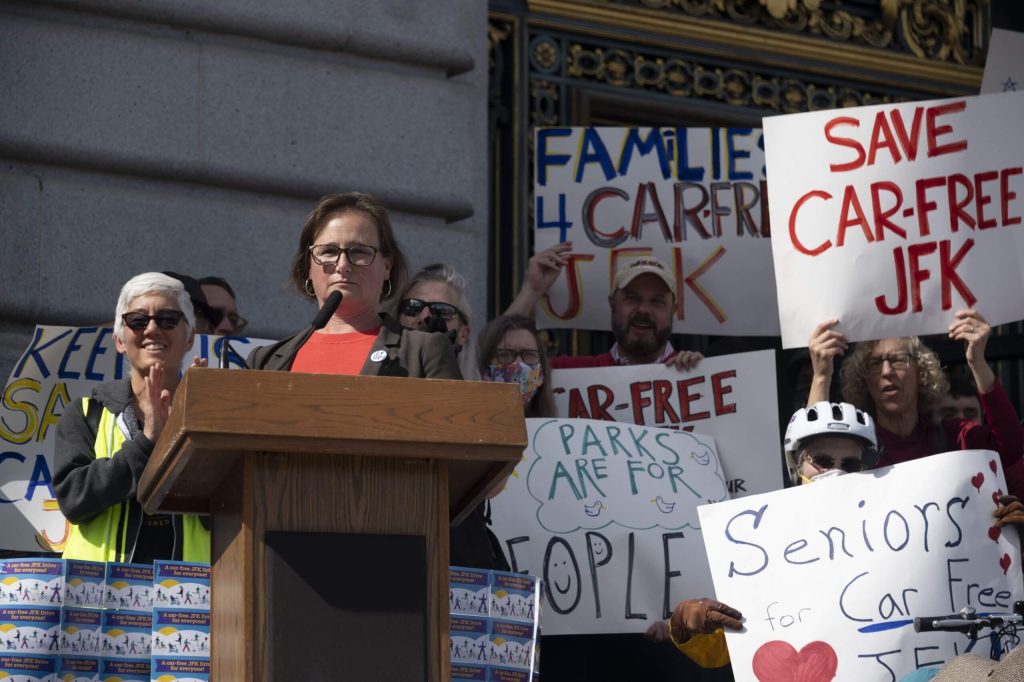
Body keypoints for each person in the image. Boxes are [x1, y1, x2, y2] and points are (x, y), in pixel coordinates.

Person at [652, 401, 879, 670]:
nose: (835, 472)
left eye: (850, 464)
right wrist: (685, 624)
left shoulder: (892, 531)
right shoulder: (759, 540)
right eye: (822, 462)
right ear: (797, 466)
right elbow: (725, 648)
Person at [52, 272, 211, 563]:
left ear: (189, 338)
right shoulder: (86, 413)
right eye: (137, 321)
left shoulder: (211, 415)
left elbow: (232, 510)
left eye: (167, 319)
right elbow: (74, 500)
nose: (152, 329)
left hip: (189, 598)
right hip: (100, 599)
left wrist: (200, 431)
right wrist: (147, 441)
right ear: (120, 341)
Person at [806, 311, 1024, 496]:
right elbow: (810, 469)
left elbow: (1011, 447)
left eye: (899, 360)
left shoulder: (953, 437)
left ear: (921, 371)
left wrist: (977, 362)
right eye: (874, 363)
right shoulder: (854, 452)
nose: (887, 371)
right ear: (864, 380)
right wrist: (821, 377)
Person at [247, 192, 461, 379]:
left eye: (359, 251)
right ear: (308, 266)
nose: (342, 265)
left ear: (387, 266)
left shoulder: (423, 351)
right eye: (328, 251)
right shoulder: (266, 361)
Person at [505, 243, 702, 371]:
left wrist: (704, 373)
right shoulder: (572, 375)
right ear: (612, 303)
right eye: (632, 298)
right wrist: (531, 290)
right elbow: (495, 366)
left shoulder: (698, 375)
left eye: (657, 301)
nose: (643, 310)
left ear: (674, 310)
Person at [396, 263, 478, 380]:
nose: (424, 316)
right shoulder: (376, 372)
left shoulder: (480, 395)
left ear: (463, 334)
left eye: (442, 310)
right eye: (413, 306)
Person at [477, 314, 556, 419]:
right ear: (485, 370)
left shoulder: (553, 432)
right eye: (505, 355)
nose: (519, 365)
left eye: (529, 354)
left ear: (541, 372)